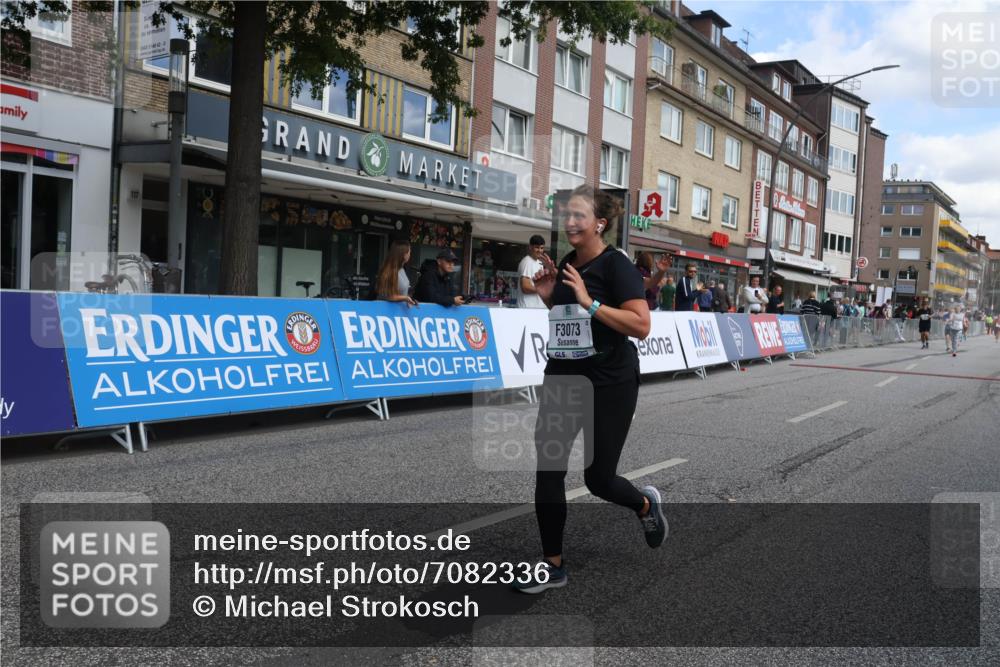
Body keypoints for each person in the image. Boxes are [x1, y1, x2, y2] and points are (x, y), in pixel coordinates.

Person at [513, 184, 667, 594]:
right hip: (564, 376)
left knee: (599, 479)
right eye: (566, 215)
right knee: (549, 467)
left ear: (600, 223)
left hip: (610, 381)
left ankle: (644, 505)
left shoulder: (617, 265)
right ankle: (553, 564)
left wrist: (588, 301)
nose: (569, 222)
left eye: (578, 215)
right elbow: (570, 320)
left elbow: (642, 325)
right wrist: (551, 297)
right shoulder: (566, 263)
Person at [375, 240, 418, 306]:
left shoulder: (401, 270)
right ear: (404, 254)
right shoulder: (388, 271)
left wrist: (410, 299)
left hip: (399, 310)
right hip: (385, 310)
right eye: (409, 252)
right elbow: (387, 296)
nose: (410, 254)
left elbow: (403, 291)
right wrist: (405, 298)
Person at [517, 235, 548, 309]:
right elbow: (525, 287)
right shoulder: (527, 262)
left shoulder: (539, 263)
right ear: (530, 247)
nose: (539, 250)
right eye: (537, 247)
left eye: (541, 248)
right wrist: (543, 290)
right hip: (528, 309)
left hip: (537, 309)